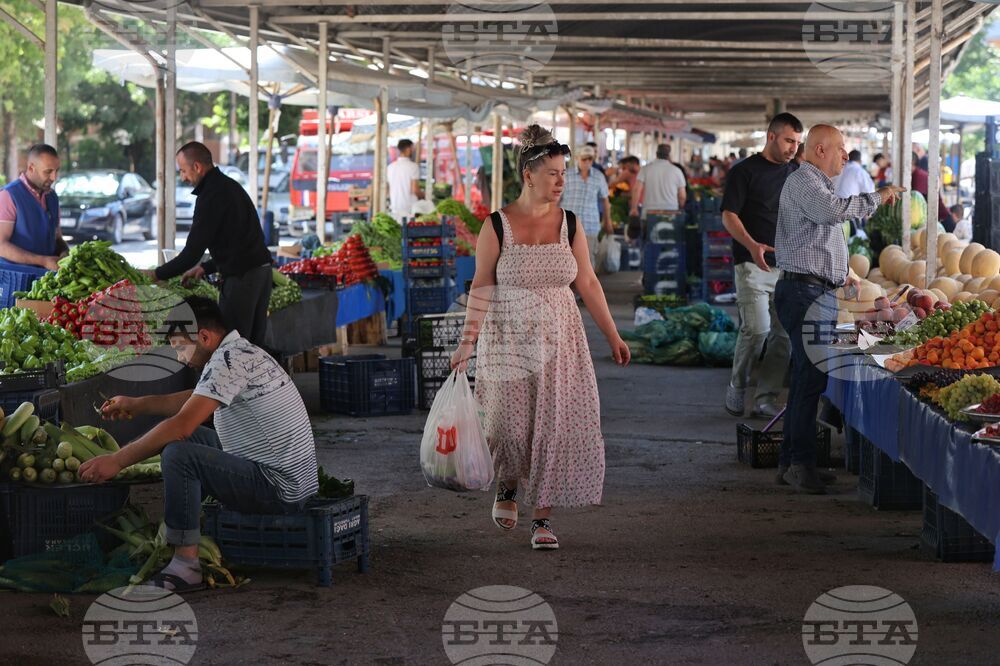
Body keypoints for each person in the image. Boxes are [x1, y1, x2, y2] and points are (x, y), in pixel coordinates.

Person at [450, 124, 630, 550]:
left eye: (563, 173)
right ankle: (508, 485)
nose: (561, 181)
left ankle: (542, 517)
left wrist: (613, 334)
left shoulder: (570, 224)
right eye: (553, 173)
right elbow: (481, 285)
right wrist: (467, 342)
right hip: (508, 341)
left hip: (561, 344)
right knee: (509, 425)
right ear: (528, 175)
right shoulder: (496, 225)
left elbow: (587, 282)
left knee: (554, 425)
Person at [79, 296, 319, 591]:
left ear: (204, 337)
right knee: (189, 441)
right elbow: (193, 398)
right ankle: (191, 521)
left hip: (278, 488)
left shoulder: (228, 360)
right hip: (292, 481)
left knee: (180, 454)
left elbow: (180, 426)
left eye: (181, 348)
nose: (180, 358)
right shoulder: (241, 351)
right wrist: (138, 404)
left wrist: (116, 461)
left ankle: (186, 564)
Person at [774, 125, 905, 494]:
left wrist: (840, 273)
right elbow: (831, 213)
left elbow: (819, 232)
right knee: (810, 378)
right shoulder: (805, 183)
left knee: (805, 378)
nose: (846, 156)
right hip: (802, 293)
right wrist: (876, 196)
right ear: (819, 149)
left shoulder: (817, 184)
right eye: (841, 149)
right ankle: (800, 463)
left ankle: (791, 462)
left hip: (814, 291)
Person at [151, 142, 273, 347]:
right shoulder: (230, 186)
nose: (183, 177)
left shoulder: (211, 196)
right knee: (254, 347)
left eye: (183, 171)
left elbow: (191, 253)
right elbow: (239, 240)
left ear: (197, 167)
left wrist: (157, 274)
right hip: (261, 274)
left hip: (243, 280)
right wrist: (205, 268)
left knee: (232, 347)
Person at [722, 112, 803, 419]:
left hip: (787, 268)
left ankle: (766, 397)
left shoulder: (796, 173)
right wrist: (751, 245)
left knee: (783, 337)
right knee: (757, 329)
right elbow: (729, 215)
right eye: (788, 141)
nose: (793, 147)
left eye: (797, 142)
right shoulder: (744, 172)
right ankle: (738, 384)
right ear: (771, 137)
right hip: (752, 265)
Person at [0, 144, 69, 270]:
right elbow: (1, 246)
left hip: (47, 280)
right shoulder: (8, 195)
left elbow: (57, 237)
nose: (54, 177)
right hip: (16, 279)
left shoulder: (52, 196)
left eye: (56, 170)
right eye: (48, 171)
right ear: (31, 168)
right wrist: (43, 261)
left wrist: (64, 252)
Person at [561, 144, 613, 271]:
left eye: (590, 159)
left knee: (588, 262)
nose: (588, 162)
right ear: (577, 158)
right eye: (584, 159)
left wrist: (608, 222)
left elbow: (605, 200)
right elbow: (556, 199)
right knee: (565, 262)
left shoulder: (598, 176)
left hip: (590, 227)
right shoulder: (567, 175)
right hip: (567, 226)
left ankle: (585, 290)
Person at [629, 144, 687, 219]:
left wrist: (634, 208)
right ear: (669, 155)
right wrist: (679, 206)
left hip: (649, 212)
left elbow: (637, 189)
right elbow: (682, 196)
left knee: (650, 230)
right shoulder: (677, 171)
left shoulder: (645, 169)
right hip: (671, 212)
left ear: (656, 154)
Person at [910, 152, 950, 224]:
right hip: (936, 217)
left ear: (912, 163)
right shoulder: (915, 174)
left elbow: (917, 204)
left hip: (941, 218)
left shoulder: (918, 176)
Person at [386, 139, 422, 221]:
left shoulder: (390, 167)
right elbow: (415, 190)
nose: (413, 151)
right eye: (412, 148)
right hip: (409, 209)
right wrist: (424, 196)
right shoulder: (413, 167)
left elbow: (388, 188)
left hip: (395, 207)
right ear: (408, 149)